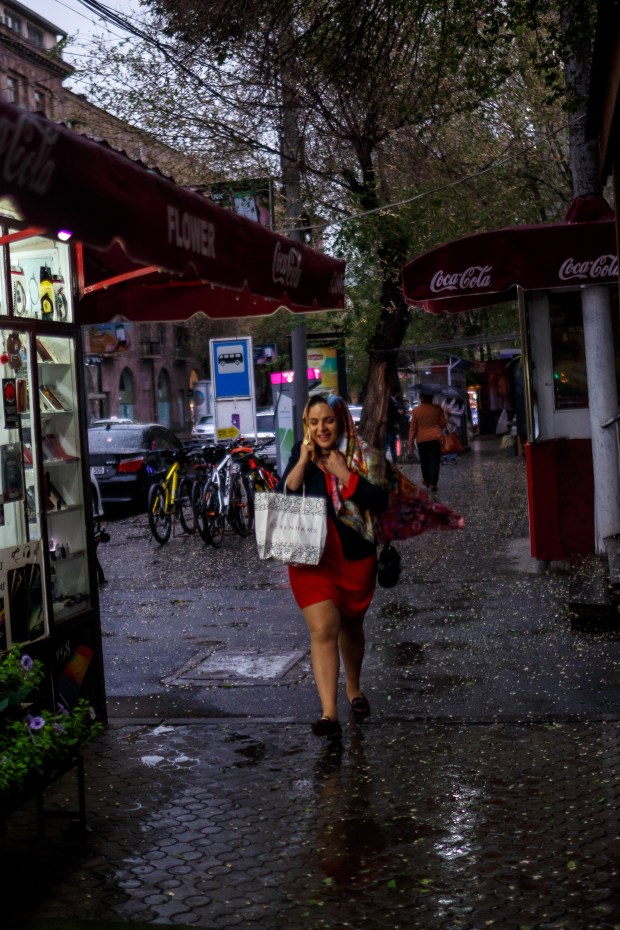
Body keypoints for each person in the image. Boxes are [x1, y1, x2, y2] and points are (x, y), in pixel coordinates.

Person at [279, 393, 389, 740]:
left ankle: (353, 689)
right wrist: (301, 461)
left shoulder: (363, 453)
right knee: (324, 628)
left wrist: (345, 474)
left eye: (327, 420)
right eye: (313, 422)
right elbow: (287, 492)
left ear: (339, 420)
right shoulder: (303, 450)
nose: (321, 427)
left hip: (355, 556)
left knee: (351, 627)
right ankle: (329, 713)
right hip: (311, 556)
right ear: (306, 425)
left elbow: (381, 500)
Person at [408, 392, 447, 498]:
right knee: (435, 461)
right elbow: (443, 424)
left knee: (424, 461)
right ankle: (434, 483)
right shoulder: (437, 408)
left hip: (422, 440)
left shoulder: (416, 410)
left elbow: (413, 428)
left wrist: (411, 443)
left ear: (421, 397)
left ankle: (426, 480)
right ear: (431, 397)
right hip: (435, 438)